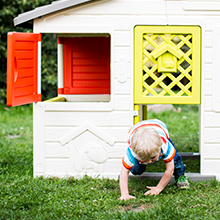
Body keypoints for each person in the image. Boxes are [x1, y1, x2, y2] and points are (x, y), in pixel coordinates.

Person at [119, 119, 189, 200]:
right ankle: (142, 163)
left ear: (159, 149)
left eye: (152, 158)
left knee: (174, 159)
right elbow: (124, 171)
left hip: (159, 127)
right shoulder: (132, 153)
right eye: (145, 159)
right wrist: (124, 194)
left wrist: (158, 188)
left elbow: (169, 170)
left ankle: (180, 175)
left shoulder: (165, 146)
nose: (149, 162)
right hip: (136, 130)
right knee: (136, 169)